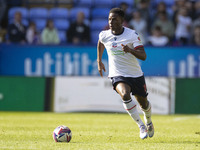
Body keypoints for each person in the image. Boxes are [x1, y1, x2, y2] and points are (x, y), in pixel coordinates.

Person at [97, 8, 154, 140]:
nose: (111, 21)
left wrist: (130, 50)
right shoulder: (104, 35)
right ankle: (141, 125)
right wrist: (99, 60)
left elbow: (143, 56)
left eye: (114, 19)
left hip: (135, 74)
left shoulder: (132, 35)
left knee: (143, 104)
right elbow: (100, 42)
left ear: (122, 21)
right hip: (117, 74)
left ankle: (148, 121)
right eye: (109, 19)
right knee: (124, 94)